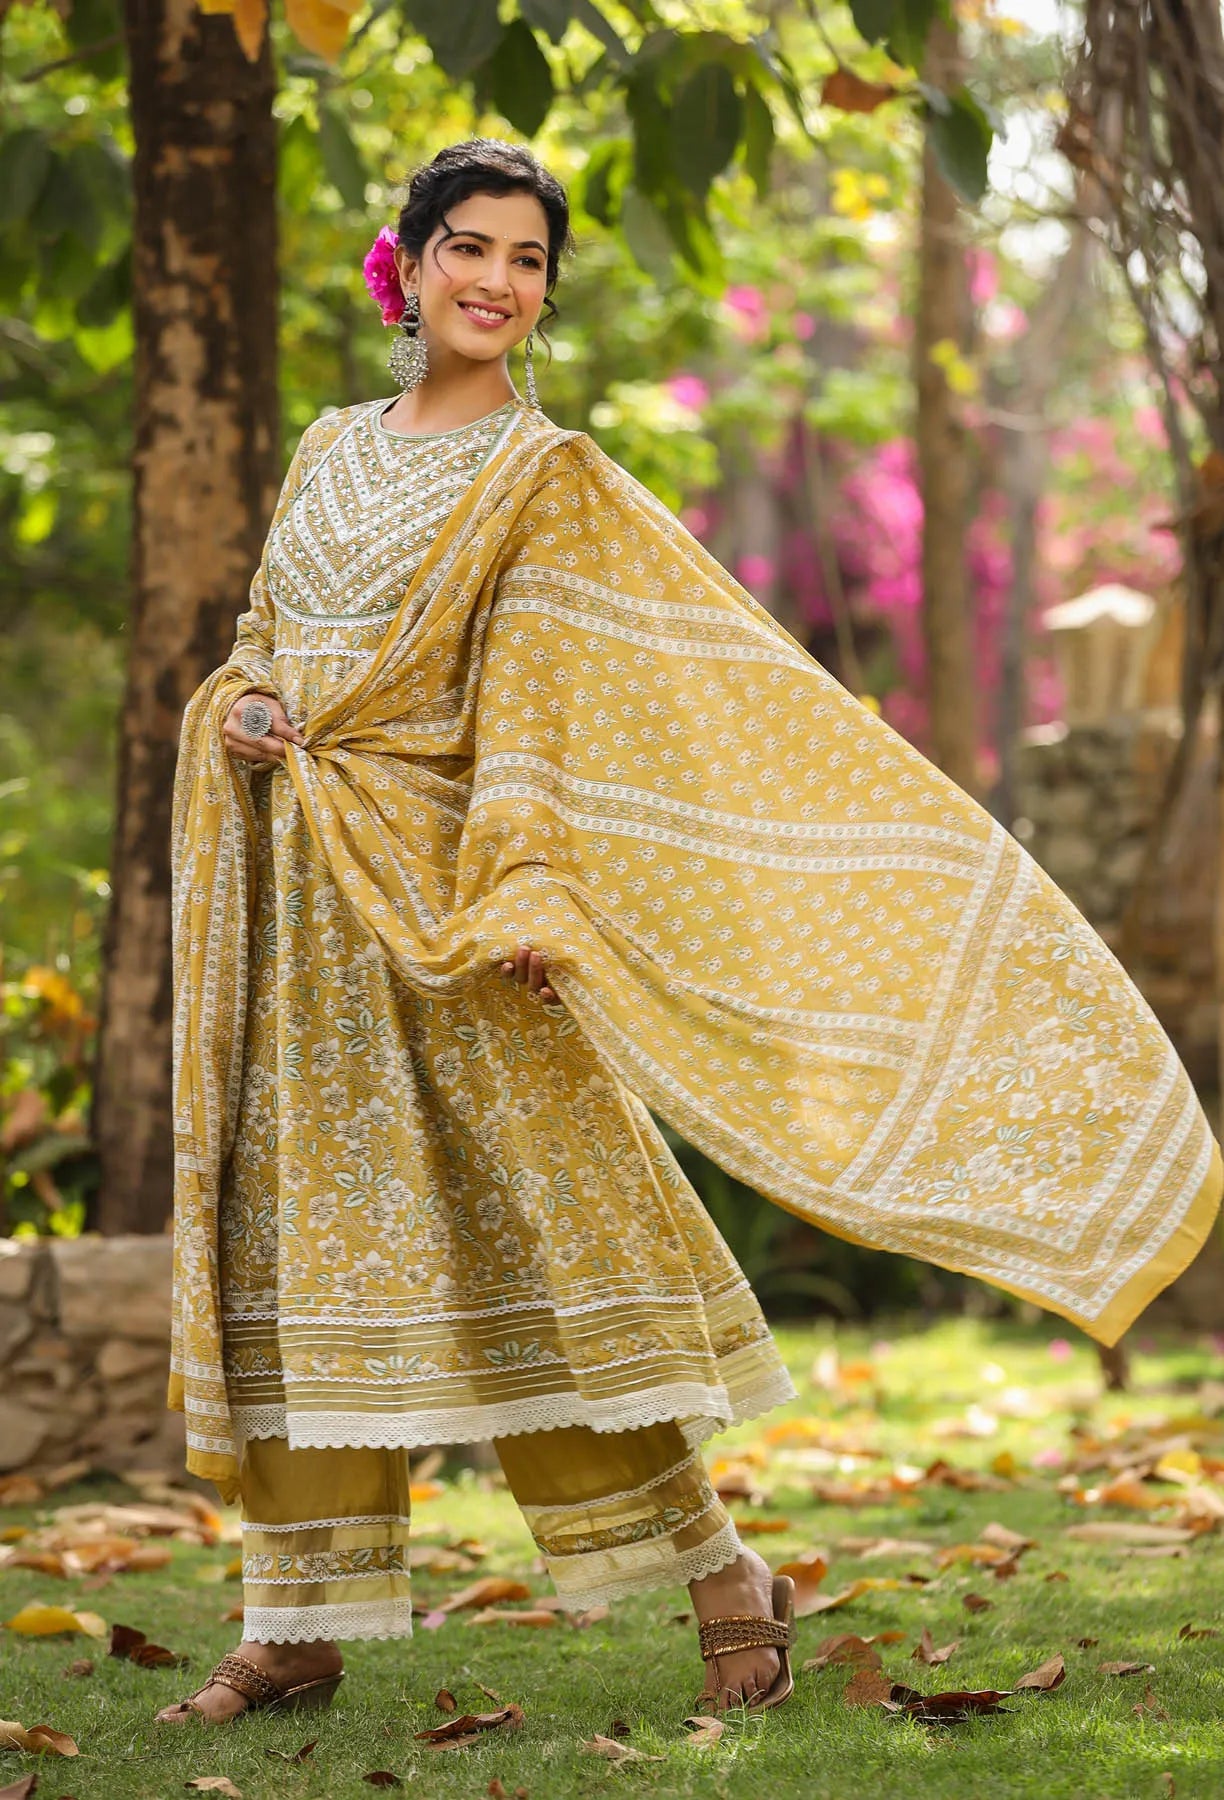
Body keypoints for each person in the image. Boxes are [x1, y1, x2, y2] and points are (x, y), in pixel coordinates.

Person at [162, 139, 1221, 1726]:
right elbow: (264, 636)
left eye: (527, 259)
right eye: (469, 247)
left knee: (552, 1248)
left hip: (452, 910)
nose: (497, 283)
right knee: (316, 1256)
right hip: (301, 920)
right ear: (408, 261)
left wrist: (523, 888)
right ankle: (297, 1620)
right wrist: (239, 704)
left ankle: (726, 1572)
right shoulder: (326, 449)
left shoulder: (542, 478)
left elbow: (536, 707)